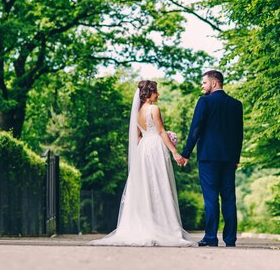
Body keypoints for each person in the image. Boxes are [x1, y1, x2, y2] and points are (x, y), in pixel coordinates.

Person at [89, 80, 195, 246]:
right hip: (155, 148)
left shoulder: (136, 113)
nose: (158, 95)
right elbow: (160, 131)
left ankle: (144, 224)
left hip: (143, 148)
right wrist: (174, 151)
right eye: (156, 92)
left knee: (145, 185)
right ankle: (163, 226)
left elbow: (137, 136)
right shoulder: (154, 109)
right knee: (159, 185)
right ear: (148, 93)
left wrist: (145, 144)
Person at [180, 70, 244, 247]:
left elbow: (196, 128)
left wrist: (185, 153)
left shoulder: (204, 102)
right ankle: (230, 239)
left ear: (214, 83)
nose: (202, 86)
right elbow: (239, 134)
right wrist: (236, 157)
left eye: (204, 83)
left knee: (211, 198)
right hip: (229, 158)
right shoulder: (236, 104)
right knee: (229, 198)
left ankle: (211, 238)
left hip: (209, 157)